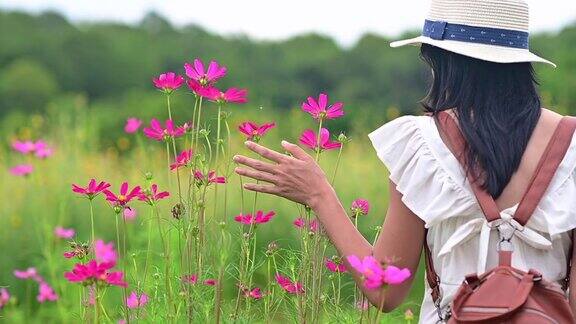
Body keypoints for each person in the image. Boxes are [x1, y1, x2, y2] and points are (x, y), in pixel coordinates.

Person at [233, 0, 575, 322]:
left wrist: (319, 194)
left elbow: (385, 288)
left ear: (447, 62)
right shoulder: (571, 147)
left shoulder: (423, 145)